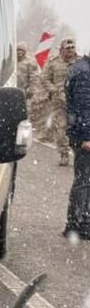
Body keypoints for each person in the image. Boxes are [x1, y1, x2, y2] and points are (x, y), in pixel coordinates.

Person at [64, 51, 90, 240]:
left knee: (85, 180)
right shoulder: (84, 73)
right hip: (85, 137)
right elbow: (83, 108)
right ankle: (76, 224)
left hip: (81, 134)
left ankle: (83, 222)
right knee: (83, 181)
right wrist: (87, 137)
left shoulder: (80, 68)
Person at [42, 38, 79, 165]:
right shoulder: (53, 63)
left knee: (78, 128)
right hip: (59, 102)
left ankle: (79, 155)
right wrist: (54, 90)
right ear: (61, 49)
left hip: (78, 102)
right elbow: (45, 79)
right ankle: (64, 154)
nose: (70, 50)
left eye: (72, 48)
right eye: (68, 48)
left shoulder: (81, 62)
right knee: (61, 128)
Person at [16, 42, 44, 134]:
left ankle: (23, 133)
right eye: (17, 50)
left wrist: (31, 90)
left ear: (25, 51)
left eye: (21, 50)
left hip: (24, 92)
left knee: (24, 113)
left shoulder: (30, 62)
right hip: (12, 90)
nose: (18, 52)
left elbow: (34, 77)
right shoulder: (11, 61)